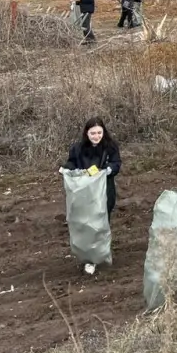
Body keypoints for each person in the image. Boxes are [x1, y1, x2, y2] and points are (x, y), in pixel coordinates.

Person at [64, 117, 121, 274]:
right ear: (86, 133)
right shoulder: (78, 148)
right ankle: (89, 258)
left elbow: (116, 164)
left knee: (102, 222)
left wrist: (107, 170)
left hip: (104, 190)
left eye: (99, 132)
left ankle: (102, 251)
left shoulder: (110, 147)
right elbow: (71, 162)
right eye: (93, 133)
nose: (96, 136)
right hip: (84, 192)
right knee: (86, 223)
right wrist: (66, 169)